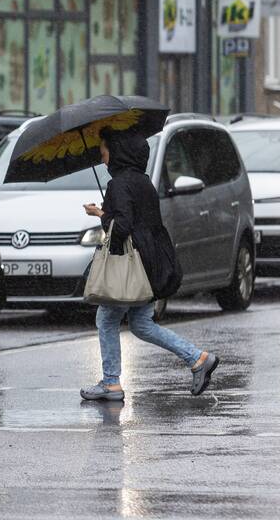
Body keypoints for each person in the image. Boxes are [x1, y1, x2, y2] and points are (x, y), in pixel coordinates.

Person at [80, 128, 219, 401]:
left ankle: (111, 384)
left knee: (106, 319)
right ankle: (198, 358)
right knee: (142, 324)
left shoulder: (119, 184)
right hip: (150, 262)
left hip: (132, 267)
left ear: (118, 152)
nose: (103, 156)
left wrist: (101, 214)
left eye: (105, 150)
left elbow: (121, 226)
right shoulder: (143, 182)